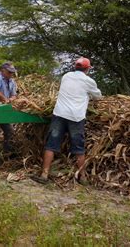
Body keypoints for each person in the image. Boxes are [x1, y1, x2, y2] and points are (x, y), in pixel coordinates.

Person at [32, 57, 102, 185]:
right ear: (87, 69)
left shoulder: (66, 76)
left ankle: (44, 174)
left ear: (75, 67)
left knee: (51, 144)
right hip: (76, 117)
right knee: (79, 147)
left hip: (59, 114)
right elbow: (98, 96)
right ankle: (83, 177)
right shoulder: (89, 81)